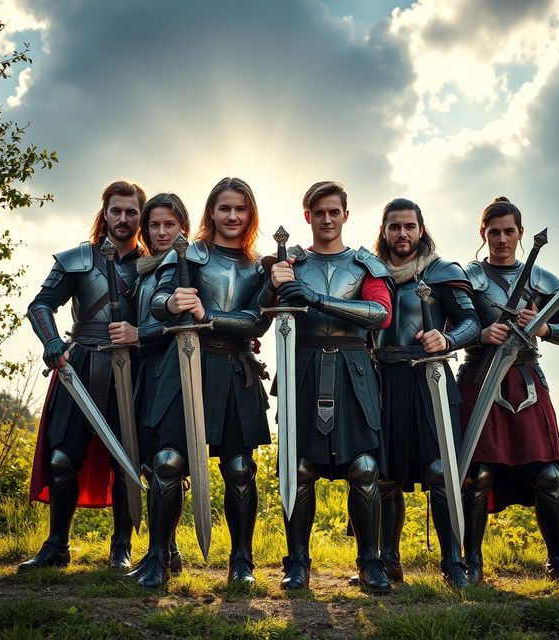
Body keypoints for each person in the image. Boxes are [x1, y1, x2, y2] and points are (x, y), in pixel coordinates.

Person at [264, 180, 394, 593]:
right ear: (308, 217)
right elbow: (265, 310)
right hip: (301, 364)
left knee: (364, 468)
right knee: (299, 470)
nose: (326, 219)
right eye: (318, 212)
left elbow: (379, 314)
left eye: (333, 211)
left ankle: (370, 563)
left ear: (345, 215)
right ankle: (297, 563)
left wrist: (318, 301)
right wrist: (274, 281)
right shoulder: (293, 263)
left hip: (354, 369)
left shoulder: (365, 265)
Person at [149, 177, 271, 586]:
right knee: (168, 463)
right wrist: (171, 302)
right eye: (224, 208)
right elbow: (157, 302)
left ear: (249, 214)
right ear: (212, 213)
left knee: (239, 469)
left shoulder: (259, 268)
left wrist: (207, 316)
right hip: (186, 365)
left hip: (236, 370)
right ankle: (156, 558)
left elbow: (256, 322)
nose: (232, 216)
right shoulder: (189, 254)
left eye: (240, 208)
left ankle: (241, 562)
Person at [20, 180, 146, 572]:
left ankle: (121, 548)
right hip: (78, 366)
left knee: (127, 462)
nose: (123, 218)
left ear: (140, 216)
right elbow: (41, 304)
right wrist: (52, 342)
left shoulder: (153, 265)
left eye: (131, 211)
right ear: (104, 212)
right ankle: (57, 545)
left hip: (132, 370)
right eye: (116, 210)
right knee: (61, 459)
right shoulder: (78, 259)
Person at [459, 196, 559, 587]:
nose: (501, 239)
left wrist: (544, 327)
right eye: (493, 232)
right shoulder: (467, 278)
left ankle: (558, 563)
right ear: (484, 234)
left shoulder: (541, 280)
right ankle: (472, 562)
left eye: (508, 231)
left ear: (520, 234)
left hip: (527, 378)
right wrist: (480, 333)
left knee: (547, 475)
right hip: (479, 378)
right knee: (477, 474)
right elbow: (452, 326)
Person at [372, 198, 480, 588]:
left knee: (440, 470)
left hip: (430, 378)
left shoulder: (442, 272)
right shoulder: (369, 272)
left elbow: (472, 321)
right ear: (384, 231)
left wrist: (447, 338)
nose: (402, 234)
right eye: (395, 226)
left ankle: (453, 563)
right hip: (381, 378)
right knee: (383, 476)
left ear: (421, 229)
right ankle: (387, 561)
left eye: (409, 226)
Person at [126, 193, 190, 587]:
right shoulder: (145, 270)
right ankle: (167, 550)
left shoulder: (186, 263)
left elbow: (181, 319)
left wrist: (140, 333)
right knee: (151, 464)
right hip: (144, 372)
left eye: (169, 224)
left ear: (182, 226)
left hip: (177, 370)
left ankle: (157, 558)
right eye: (155, 225)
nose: (162, 231)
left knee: (169, 462)